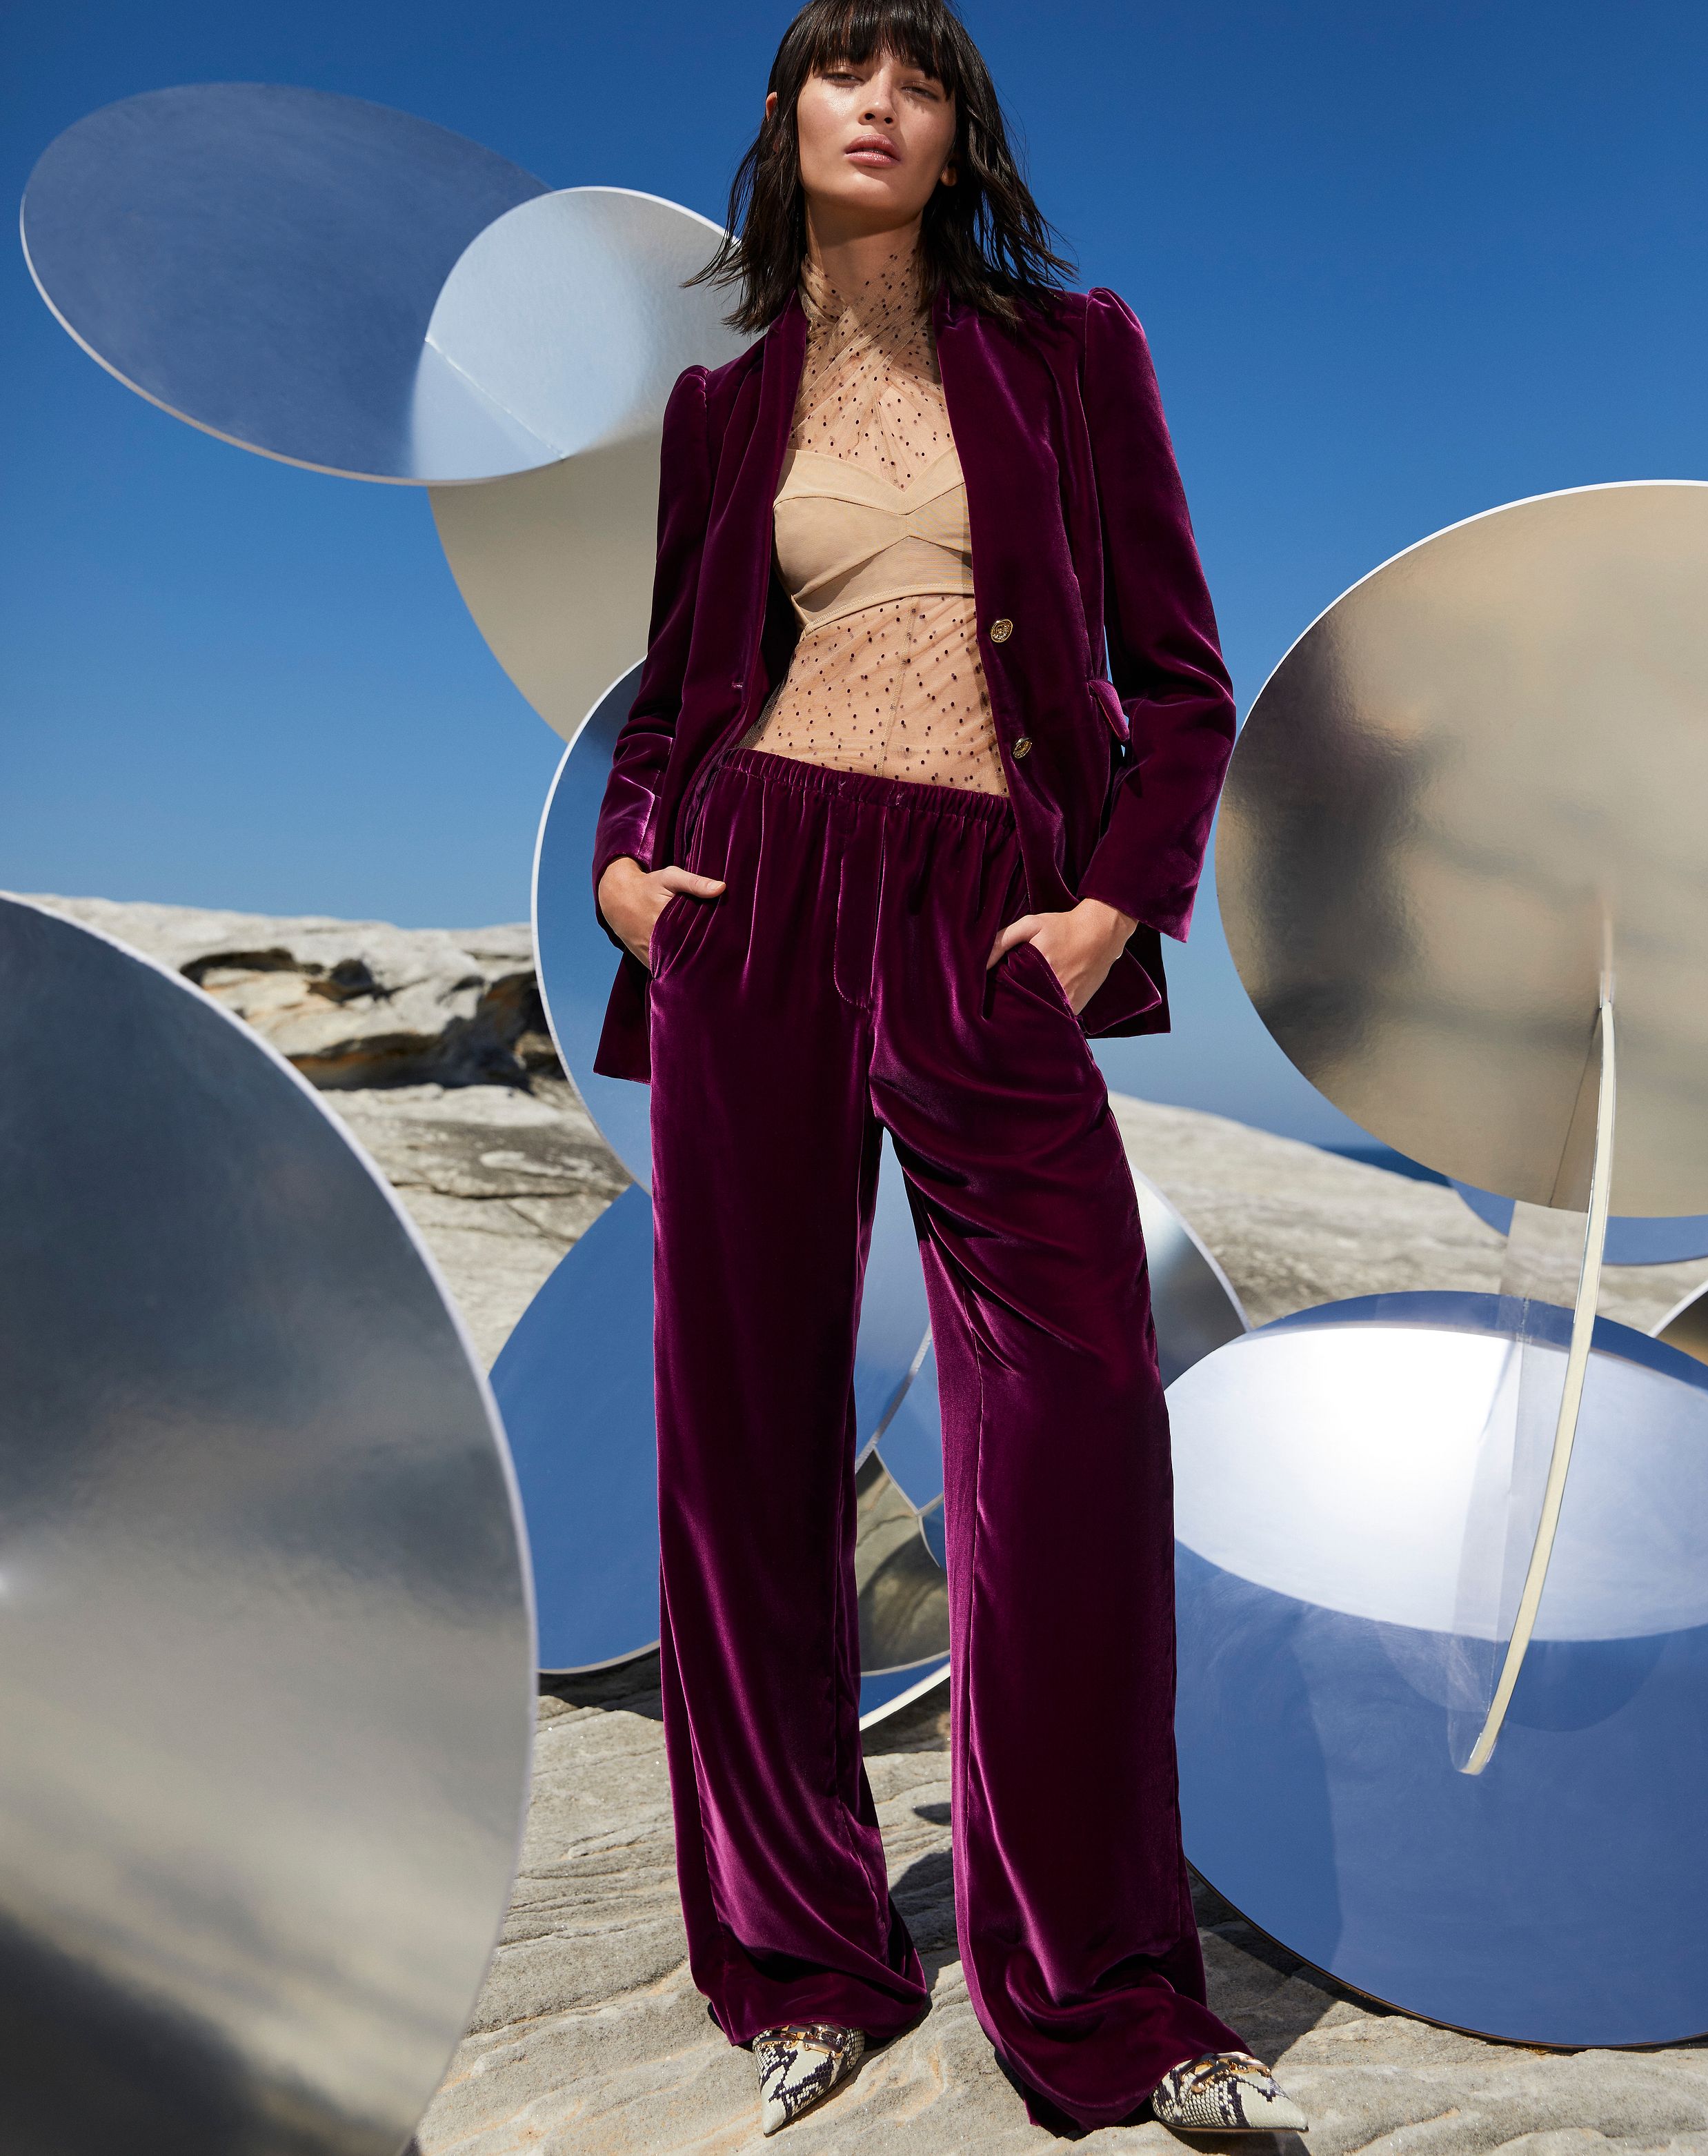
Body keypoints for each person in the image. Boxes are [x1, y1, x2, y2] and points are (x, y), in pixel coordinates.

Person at [590, 0, 1307, 2137]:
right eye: (839, 71)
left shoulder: (1075, 357)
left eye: (914, 76)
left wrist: (1110, 909)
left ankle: (1108, 1998)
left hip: (990, 915)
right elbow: (673, 687)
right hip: (757, 897)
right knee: (741, 1440)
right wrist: (634, 869)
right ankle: (801, 1962)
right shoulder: (722, 409)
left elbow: (1176, 681)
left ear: (953, 128)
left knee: (1077, 1420)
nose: (876, 102)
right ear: (788, 121)